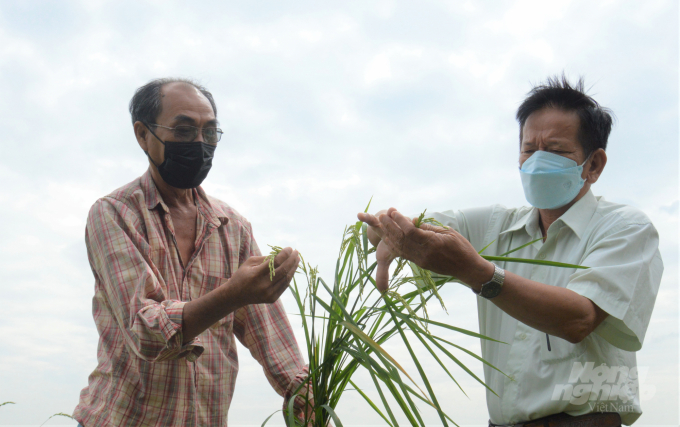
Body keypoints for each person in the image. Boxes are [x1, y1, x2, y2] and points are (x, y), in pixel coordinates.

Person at [359, 76, 663, 427]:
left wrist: (479, 273)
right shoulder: (494, 226)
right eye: (529, 149)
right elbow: (409, 227)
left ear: (593, 165)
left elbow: (579, 318)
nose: (537, 161)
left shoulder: (625, 228)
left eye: (557, 150)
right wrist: (386, 233)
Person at [73, 78, 308, 427]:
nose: (199, 144)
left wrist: (305, 399)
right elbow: (144, 328)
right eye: (183, 131)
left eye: (209, 133)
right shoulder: (115, 214)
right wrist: (232, 295)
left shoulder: (233, 228)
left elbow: (270, 332)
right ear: (143, 135)